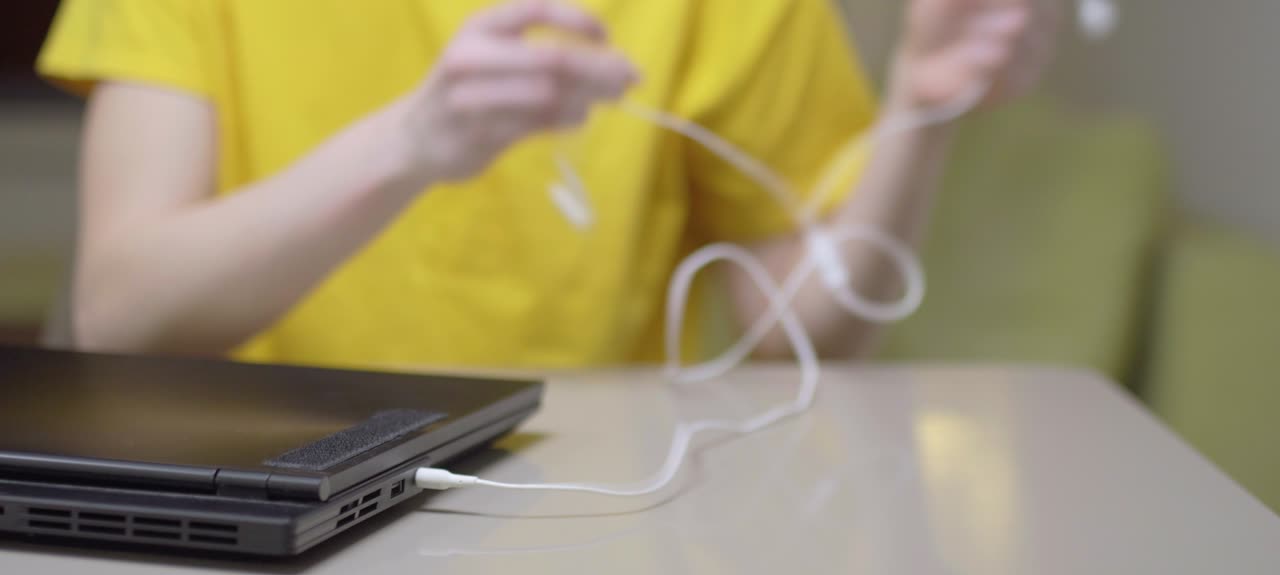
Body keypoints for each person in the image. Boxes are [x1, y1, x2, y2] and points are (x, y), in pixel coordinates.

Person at [37, 0, 1057, 369]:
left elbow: (803, 333)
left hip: (593, 536)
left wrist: (920, 113)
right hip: (259, 533)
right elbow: (120, 314)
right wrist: (412, 143)